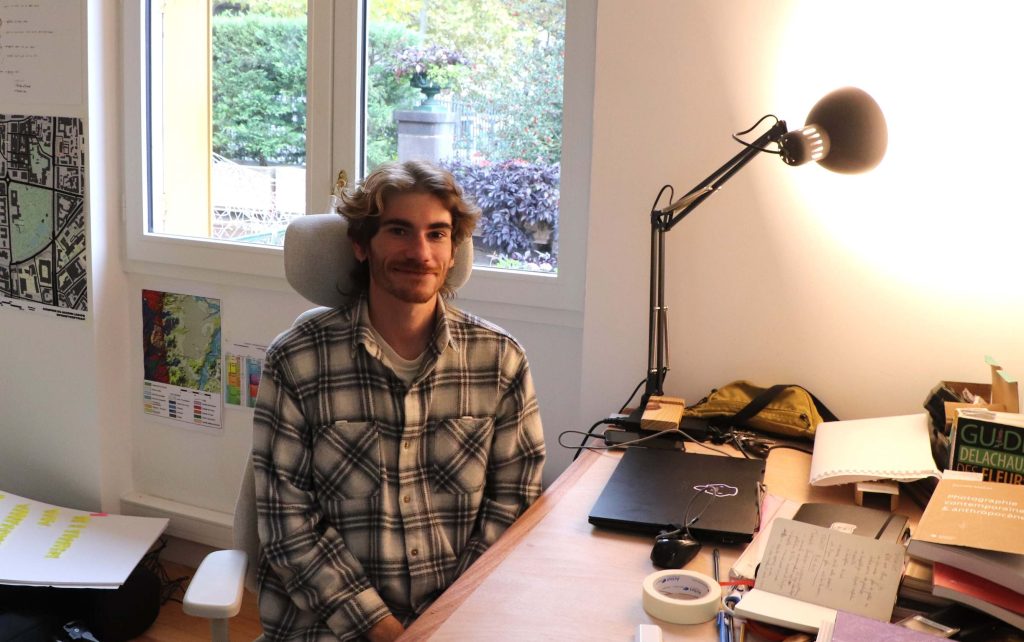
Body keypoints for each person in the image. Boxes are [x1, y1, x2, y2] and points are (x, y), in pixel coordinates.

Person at [252, 159, 546, 641]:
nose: (420, 251)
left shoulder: (500, 361)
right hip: (328, 626)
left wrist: (446, 619)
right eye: (398, 231)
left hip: (458, 619)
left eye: (437, 234)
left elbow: (514, 504)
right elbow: (288, 525)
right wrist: (385, 630)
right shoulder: (296, 361)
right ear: (361, 245)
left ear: (454, 251)